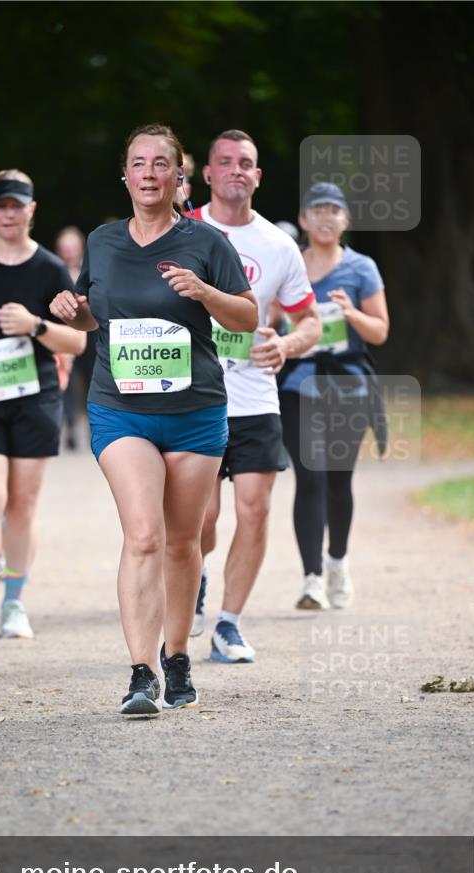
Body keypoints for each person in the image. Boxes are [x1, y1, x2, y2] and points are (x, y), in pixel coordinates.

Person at [50, 123, 258, 716]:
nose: (148, 173)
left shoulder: (205, 243)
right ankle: (141, 673)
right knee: (144, 535)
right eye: (138, 163)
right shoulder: (103, 241)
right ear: (125, 175)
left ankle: (177, 655)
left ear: (177, 176)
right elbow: (93, 316)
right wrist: (71, 308)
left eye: (160, 164)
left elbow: (247, 318)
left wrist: (205, 293)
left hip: (195, 412)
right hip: (121, 410)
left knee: (183, 541)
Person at [189, 130, 321, 663]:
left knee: (255, 509)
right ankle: (194, 573)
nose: (235, 170)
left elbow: (310, 321)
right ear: (207, 174)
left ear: (258, 176)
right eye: (225, 162)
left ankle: (229, 624)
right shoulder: (182, 230)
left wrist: (286, 345)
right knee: (201, 519)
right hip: (194, 396)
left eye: (245, 163)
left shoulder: (278, 245)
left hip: (255, 397)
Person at [0, 169, 86, 641]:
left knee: (21, 507)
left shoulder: (50, 269)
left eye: (17, 206)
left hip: (34, 398)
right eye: (1, 205)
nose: (9, 214)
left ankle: (14, 604)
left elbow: (78, 342)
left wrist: (35, 325)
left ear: (31, 210)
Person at [277, 181, 389, 610]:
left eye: (334, 210)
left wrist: (351, 313)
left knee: (339, 480)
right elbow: (268, 313)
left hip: (347, 385)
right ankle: (312, 579)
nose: (326, 218)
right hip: (298, 385)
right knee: (311, 477)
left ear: (346, 220)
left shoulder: (362, 268)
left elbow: (380, 331)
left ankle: (337, 562)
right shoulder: (290, 264)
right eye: (317, 210)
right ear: (303, 220)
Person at [54, 226, 90, 449]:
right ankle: (71, 428)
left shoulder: (91, 271)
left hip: (92, 338)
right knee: (66, 385)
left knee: (91, 381)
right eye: (65, 248)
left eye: (72, 248)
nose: (69, 252)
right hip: (64, 337)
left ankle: (95, 427)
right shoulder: (53, 272)